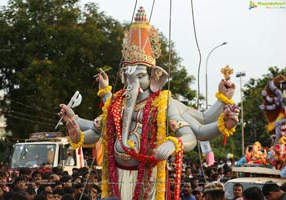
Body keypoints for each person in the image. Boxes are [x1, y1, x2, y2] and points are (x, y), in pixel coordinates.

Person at [59, 6, 239, 200]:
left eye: (140, 76)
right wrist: (76, 131)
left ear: (155, 77)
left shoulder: (162, 104)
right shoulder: (116, 103)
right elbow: (95, 133)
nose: (132, 82)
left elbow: (195, 134)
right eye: (127, 76)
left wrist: (173, 144)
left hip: (149, 181)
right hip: (116, 179)